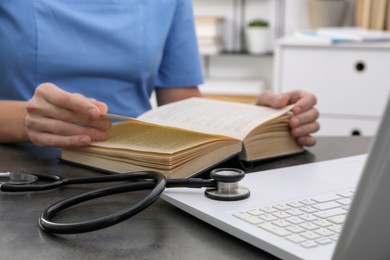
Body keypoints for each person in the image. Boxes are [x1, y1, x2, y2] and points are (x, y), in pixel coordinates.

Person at [0, 0, 319, 148]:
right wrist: (25, 121)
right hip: (22, 174)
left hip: (136, 171)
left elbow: (181, 103)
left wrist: (260, 119)